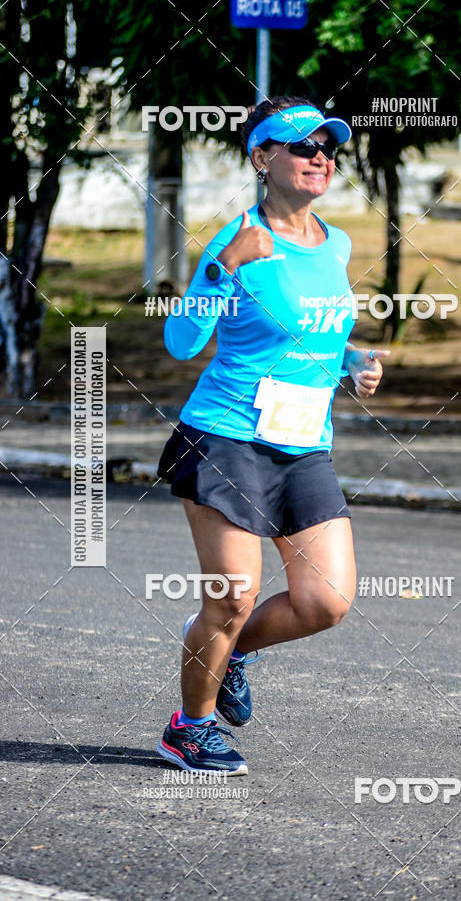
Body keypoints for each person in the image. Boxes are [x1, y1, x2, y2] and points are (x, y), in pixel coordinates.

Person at [156, 95, 389, 776]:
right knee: (230, 597)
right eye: (302, 146)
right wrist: (223, 262)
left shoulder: (336, 242)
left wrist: (354, 364)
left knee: (327, 600)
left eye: (328, 146)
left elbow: (322, 335)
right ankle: (188, 727)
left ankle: (230, 652)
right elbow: (179, 341)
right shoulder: (240, 240)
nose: (320, 156)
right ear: (263, 158)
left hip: (302, 443)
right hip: (225, 438)